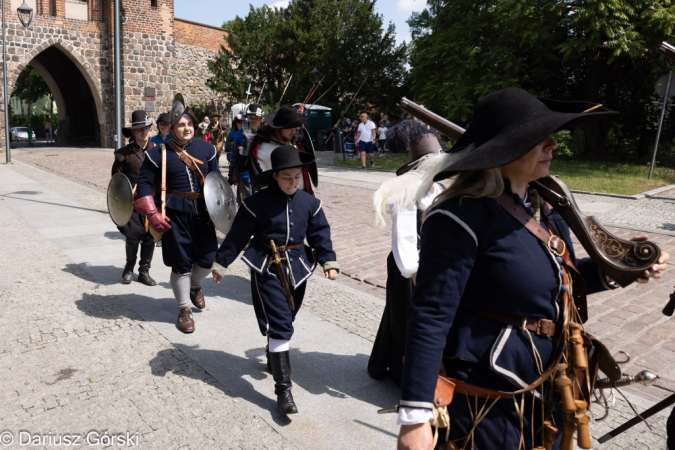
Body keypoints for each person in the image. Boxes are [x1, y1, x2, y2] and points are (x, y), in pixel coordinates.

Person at [396, 88, 670, 450]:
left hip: (549, 381)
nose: (553, 145)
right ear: (505, 151)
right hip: (489, 394)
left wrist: (626, 267)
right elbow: (431, 315)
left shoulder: (544, 207)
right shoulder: (458, 217)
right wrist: (415, 416)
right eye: (539, 139)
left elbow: (556, 281)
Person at [211, 145, 339, 415]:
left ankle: (273, 348)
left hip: (298, 267)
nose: (293, 183)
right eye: (286, 178)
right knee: (281, 324)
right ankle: (284, 391)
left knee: (288, 316)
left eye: (297, 177)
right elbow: (237, 236)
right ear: (274, 177)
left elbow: (320, 234)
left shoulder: (310, 204)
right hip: (266, 266)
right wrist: (222, 263)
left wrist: (328, 260)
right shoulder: (256, 204)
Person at [368, 120, 447, 387]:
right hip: (410, 267)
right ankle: (407, 375)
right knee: (407, 320)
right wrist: (413, 272)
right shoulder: (407, 194)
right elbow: (403, 238)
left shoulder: (443, 190)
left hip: (435, 264)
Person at [134, 94, 220, 334]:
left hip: (203, 213)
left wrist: (222, 212)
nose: (187, 128)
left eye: (190, 124)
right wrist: (152, 214)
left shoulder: (208, 150)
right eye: (181, 124)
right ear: (171, 128)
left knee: (208, 259)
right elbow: (142, 185)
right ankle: (184, 309)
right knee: (181, 264)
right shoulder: (156, 153)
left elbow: (216, 182)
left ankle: (195, 286)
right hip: (174, 214)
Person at [111, 110, 157, 286]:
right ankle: (129, 267)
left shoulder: (158, 151)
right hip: (133, 203)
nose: (144, 132)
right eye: (140, 129)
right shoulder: (124, 154)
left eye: (146, 128)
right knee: (132, 236)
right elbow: (116, 181)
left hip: (152, 202)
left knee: (149, 237)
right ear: (133, 132)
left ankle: (144, 271)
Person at [245, 105, 314, 196]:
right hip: (278, 200)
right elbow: (265, 184)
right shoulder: (264, 149)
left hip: (300, 196)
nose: (293, 131)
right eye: (289, 127)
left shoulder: (293, 144)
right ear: (279, 128)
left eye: (295, 127)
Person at [235, 103, 264, 200]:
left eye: (257, 117)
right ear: (247, 117)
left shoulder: (266, 134)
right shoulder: (240, 134)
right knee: (246, 205)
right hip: (245, 175)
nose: (254, 120)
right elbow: (234, 154)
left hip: (262, 175)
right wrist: (231, 172)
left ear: (261, 118)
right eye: (251, 117)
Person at [226, 113, 243, 185]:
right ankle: (230, 177)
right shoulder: (231, 134)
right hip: (234, 154)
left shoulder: (248, 132)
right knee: (233, 163)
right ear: (235, 124)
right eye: (238, 123)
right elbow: (226, 147)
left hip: (244, 156)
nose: (240, 124)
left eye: (242, 123)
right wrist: (232, 145)